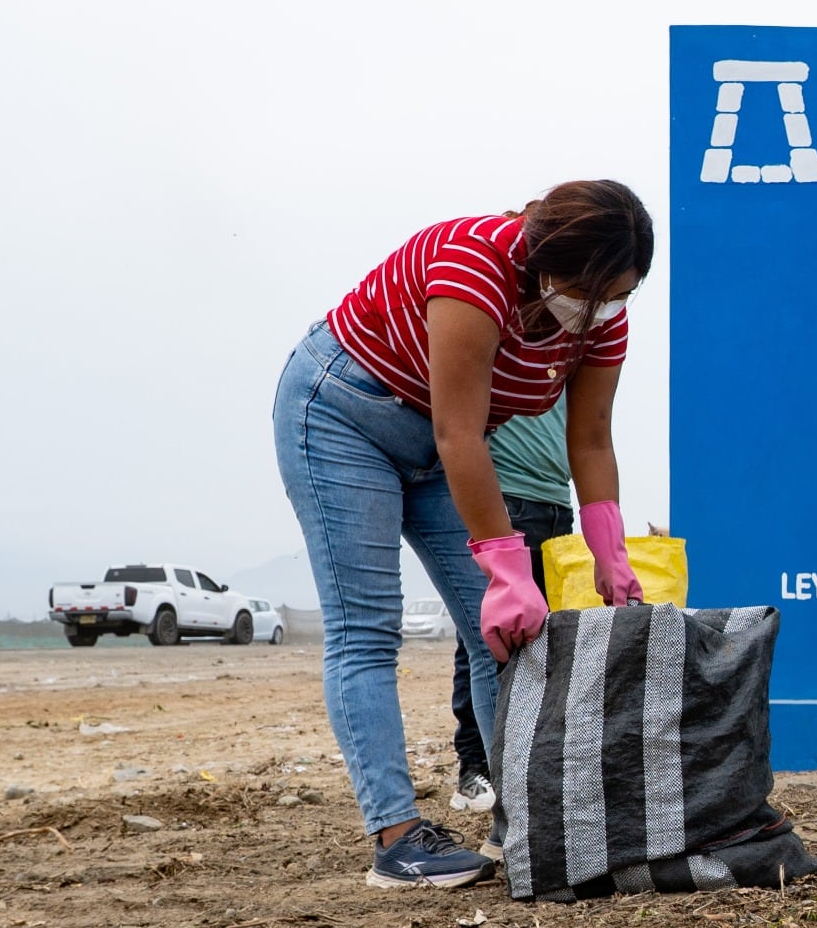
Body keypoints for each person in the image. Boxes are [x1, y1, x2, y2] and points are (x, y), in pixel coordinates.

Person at [272, 181, 653, 890]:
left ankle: (527, 819)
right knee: (367, 627)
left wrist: (611, 550)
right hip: (345, 416)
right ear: (545, 260)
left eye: (618, 295)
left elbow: (592, 438)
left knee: (507, 636)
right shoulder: (472, 267)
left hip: (444, 443)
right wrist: (508, 570)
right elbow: (458, 432)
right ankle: (396, 837)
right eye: (590, 292)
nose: (599, 312)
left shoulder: (601, 318)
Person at [444, 398, 571, 813]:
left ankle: (528, 771)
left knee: (540, 639)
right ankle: (477, 768)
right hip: (504, 496)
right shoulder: (503, 335)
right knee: (486, 641)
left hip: (555, 500)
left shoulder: (576, 343)